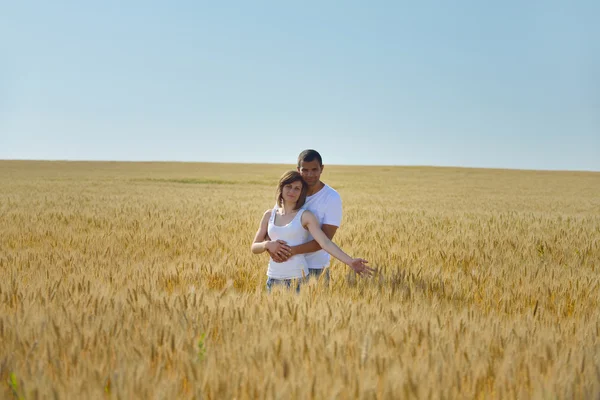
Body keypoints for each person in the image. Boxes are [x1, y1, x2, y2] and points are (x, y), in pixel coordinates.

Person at [251, 170, 369, 292]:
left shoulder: (305, 216)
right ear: (281, 187)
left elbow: (325, 242)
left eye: (297, 188)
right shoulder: (269, 215)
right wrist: (267, 245)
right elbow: (254, 247)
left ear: (302, 192)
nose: (292, 191)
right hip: (272, 279)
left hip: (298, 279)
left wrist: (350, 261)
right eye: (288, 187)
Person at [267, 149, 374, 281]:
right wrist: (271, 247)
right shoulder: (291, 194)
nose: (309, 174)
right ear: (298, 169)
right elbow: (273, 226)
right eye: (305, 170)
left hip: (316, 267)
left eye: (314, 169)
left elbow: (325, 240)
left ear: (321, 169)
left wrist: (288, 251)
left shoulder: (331, 197)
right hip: (284, 268)